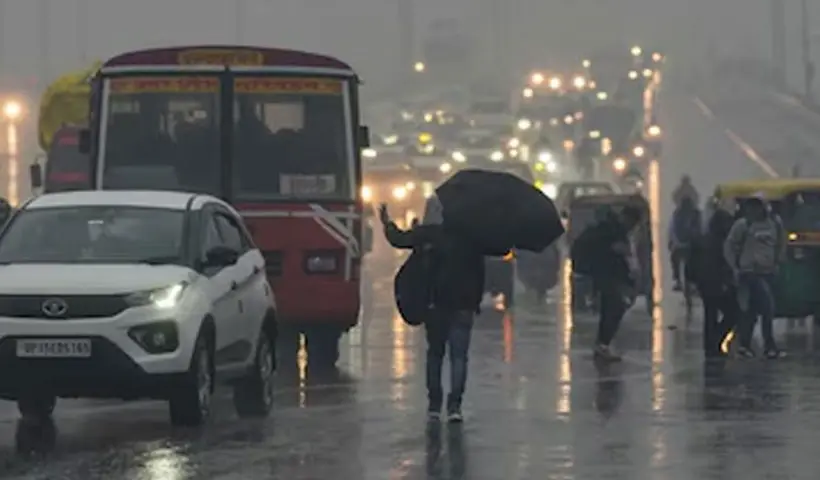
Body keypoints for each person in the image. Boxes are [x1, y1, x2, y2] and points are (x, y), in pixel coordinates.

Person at [379, 195, 484, 422]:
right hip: (463, 306)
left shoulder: (426, 234)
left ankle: (434, 406)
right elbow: (479, 272)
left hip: (435, 306)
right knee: (459, 357)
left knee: (435, 355)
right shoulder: (469, 238)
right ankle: (455, 407)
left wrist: (387, 222)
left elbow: (398, 239)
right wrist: (474, 301)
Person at [572, 204, 644, 361]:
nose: (633, 227)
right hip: (606, 275)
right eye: (633, 223)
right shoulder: (613, 231)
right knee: (614, 308)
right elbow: (614, 256)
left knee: (612, 309)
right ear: (627, 218)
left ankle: (602, 345)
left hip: (605, 275)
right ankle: (602, 345)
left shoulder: (613, 229)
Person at [723, 195, 786, 358]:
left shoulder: (775, 224)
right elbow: (729, 246)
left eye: (757, 206)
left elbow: (781, 243)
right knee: (767, 307)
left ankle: (744, 344)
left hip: (768, 272)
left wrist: (778, 262)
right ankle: (769, 345)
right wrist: (734, 267)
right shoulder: (743, 225)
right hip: (749, 273)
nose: (754, 210)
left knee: (751, 311)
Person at [686, 209, 739, 357]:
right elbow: (722, 264)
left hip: (705, 283)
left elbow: (690, 263)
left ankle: (711, 346)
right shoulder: (721, 242)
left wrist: (692, 280)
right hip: (717, 283)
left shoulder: (702, 240)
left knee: (710, 314)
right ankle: (714, 342)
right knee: (732, 313)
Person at [668, 196, 702, 291]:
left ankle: (678, 280)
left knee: (675, 259)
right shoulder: (696, 214)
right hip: (690, 245)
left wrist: (671, 242)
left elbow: (671, 230)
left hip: (681, 245)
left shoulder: (677, 214)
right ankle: (689, 281)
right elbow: (701, 228)